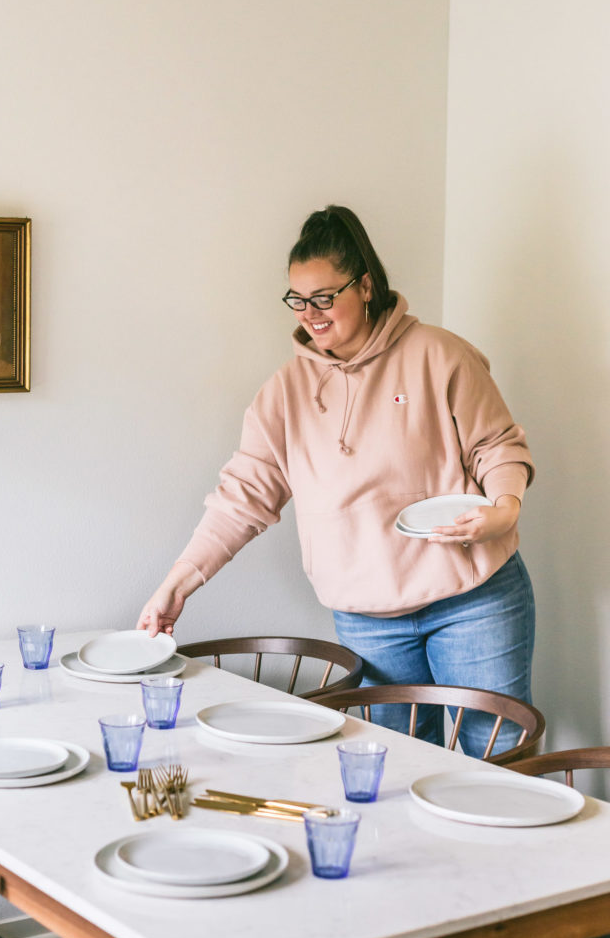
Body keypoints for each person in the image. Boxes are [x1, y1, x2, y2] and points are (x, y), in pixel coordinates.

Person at [138, 205, 535, 757]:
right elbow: (241, 497)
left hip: (473, 597)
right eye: (299, 300)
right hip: (368, 617)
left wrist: (505, 507)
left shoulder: (440, 355)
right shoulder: (285, 392)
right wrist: (177, 583)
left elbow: (497, 445)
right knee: (391, 764)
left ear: (365, 285)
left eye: (325, 297)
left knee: (496, 756)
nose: (312, 313)